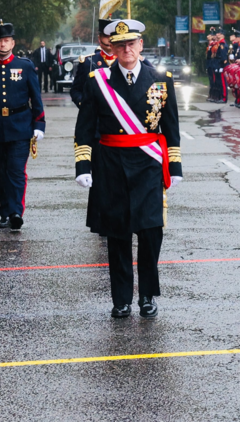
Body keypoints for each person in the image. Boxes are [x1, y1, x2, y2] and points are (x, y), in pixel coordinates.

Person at [73, 19, 182, 318]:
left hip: (148, 165)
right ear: (113, 48)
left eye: (131, 43)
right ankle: (121, 299)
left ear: (140, 46)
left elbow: (171, 128)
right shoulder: (98, 82)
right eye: (120, 45)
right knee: (118, 234)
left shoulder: (160, 79)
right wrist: (83, 164)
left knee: (150, 233)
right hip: (111, 166)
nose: (126, 49)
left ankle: (147, 295)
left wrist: (175, 166)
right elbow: (84, 129)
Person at [0, 21, 45, 230]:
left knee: (16, 171)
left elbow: (35, 98)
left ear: (12, 42)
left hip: (20, 126)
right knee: (1, 172)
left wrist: (39, 125)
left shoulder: (26, 66)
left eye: (6, 40)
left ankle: (15, 212)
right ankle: (4, 212)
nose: (2, 45)